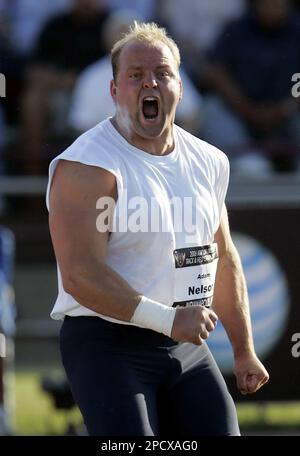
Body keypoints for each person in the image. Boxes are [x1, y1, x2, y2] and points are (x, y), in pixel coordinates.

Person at [47, 22, 269, 436]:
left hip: (185, 346)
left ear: (180, 88)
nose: (150, 81)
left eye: (162, 73)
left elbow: (221, 256)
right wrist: (167, 319)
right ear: (115, 91)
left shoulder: (209, 160)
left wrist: (243, 350)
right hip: (107, 343)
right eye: (135, 75)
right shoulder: (88, 166)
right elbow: (80, 275)